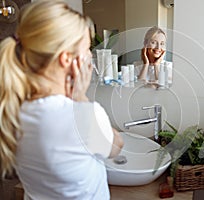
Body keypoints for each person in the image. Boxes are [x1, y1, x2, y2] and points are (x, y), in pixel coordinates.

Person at [0, 1, 123, 199]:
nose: (90, 56)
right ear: (67, 59)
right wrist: (81, 98)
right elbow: (116, 146)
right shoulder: (81, 116)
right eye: (87, 48)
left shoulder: (13, 107)